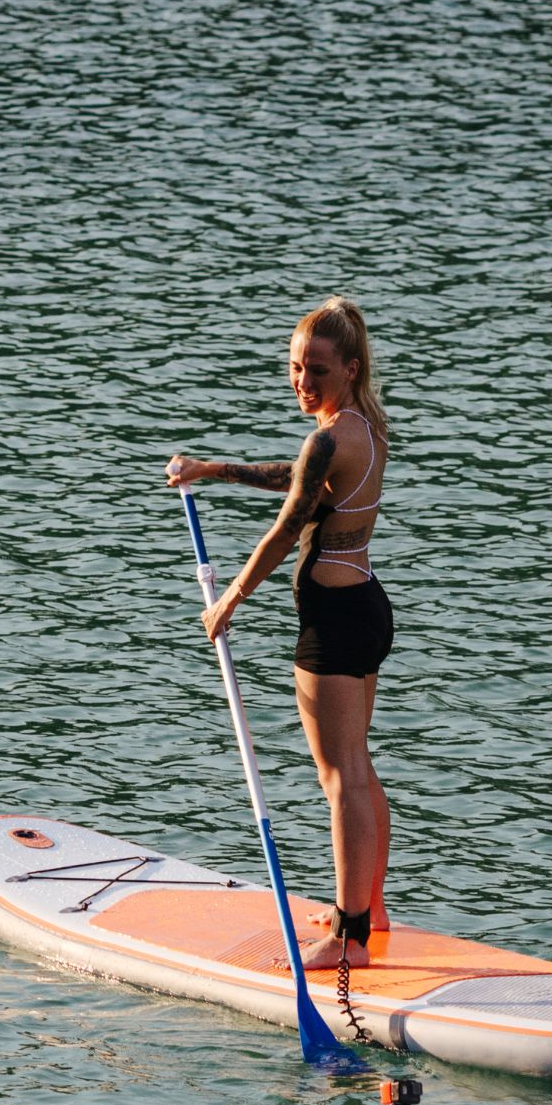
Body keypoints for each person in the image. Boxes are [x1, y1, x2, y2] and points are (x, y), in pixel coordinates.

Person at [165, 298, 395, 967]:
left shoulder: (328, 438)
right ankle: (369, 908)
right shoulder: (364, 427)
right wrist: (214, 469)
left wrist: (230, 599)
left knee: (340, 776)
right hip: (366, 608)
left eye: (317, 370)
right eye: (295, 367)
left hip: (334, 624)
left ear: (350, 369)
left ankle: (349, 938)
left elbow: (289, 525)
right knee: (358, 768)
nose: (302, 381)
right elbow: (298, 481)